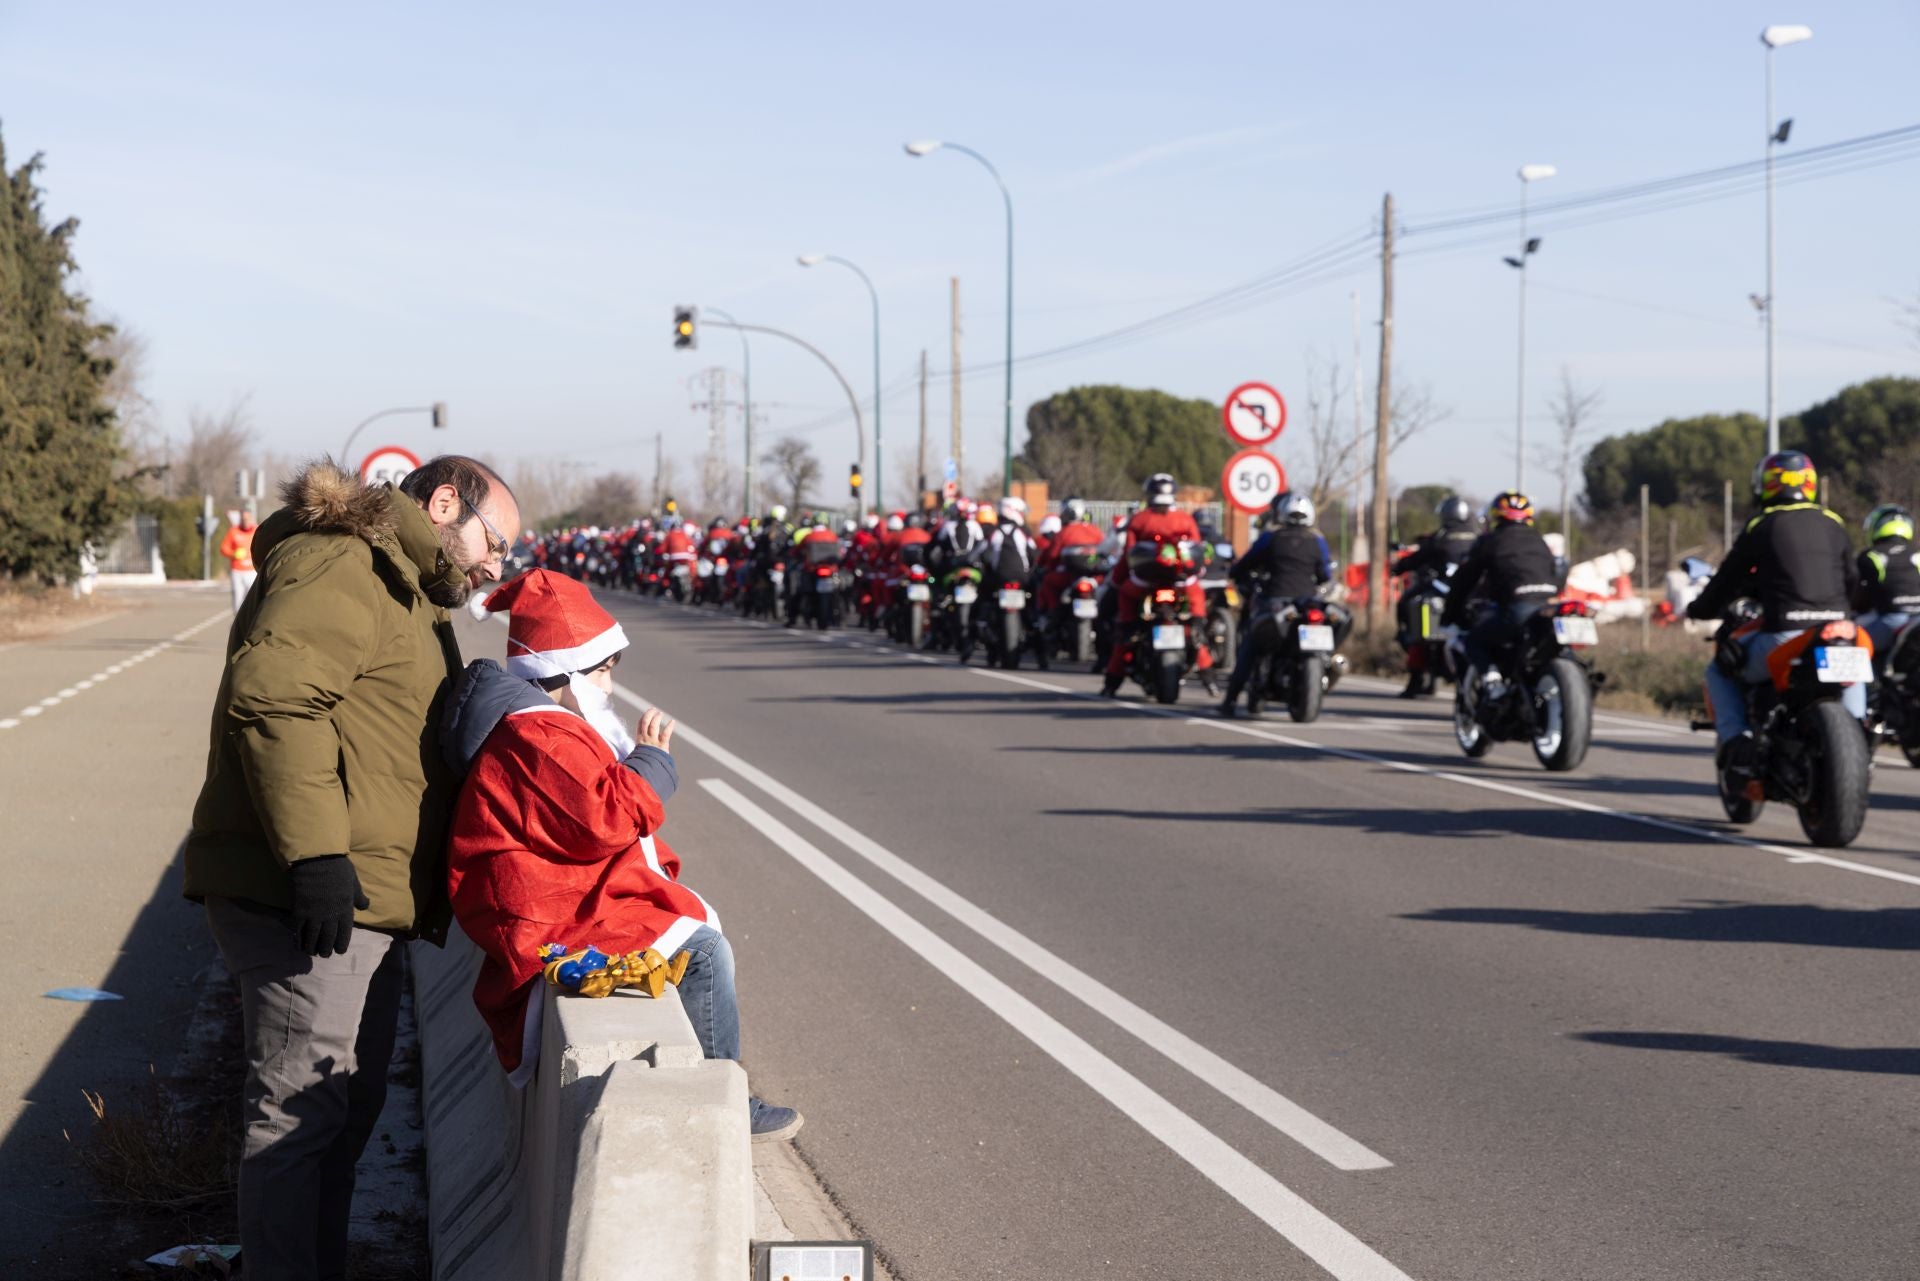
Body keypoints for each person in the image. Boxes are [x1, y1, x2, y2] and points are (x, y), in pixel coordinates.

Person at [184, 455, 520, 1281]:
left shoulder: (402, 583)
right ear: (445, 503)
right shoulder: (347, 560)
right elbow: (274, 696)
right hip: (301, 893)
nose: (496, 564)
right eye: (496, 541)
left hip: (365, 901)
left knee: (339, 1112)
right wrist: (318, 855)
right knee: (299, 1116)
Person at [441, 569, 801, 1140]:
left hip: (548, 892)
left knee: (678, 919)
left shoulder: (536, 723)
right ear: (567, 667)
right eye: (603, 671)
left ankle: (710, 1087)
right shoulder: (542, 735)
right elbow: (603, 818)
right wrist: (653, 763)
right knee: (704, 951)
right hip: (542, 913)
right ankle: (722, 1103)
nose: (609, 686)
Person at [1687, 451, 1863, 764]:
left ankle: (1736, 741)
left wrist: (1700, 609)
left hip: (1785, 633)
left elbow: (1728, 578)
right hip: (1838, 629)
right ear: (1809, 484)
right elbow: (1851, 580)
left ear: (1766, 485)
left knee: (1719, 671)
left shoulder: (1762, 524)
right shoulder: (1833, 522)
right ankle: (1859, 735)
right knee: (1852, 667)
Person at [1218, 493, 1334, 716]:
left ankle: (1230, 700)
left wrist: (1236, 572)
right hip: (1308, 603)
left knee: (1250, 647)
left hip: (1275, 602)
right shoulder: (1317, 540)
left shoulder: (1271, 538)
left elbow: (1245, 564)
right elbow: (1325, 574)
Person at [1440, 491, 1563, 698]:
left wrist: (1449, 615)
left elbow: (1464, 580)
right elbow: (1557, 571)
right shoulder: (1539, 540)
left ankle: (1493, 681)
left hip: (1519, 609)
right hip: (1549, 608)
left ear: (1496, 517)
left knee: (1474, 640)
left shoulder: (1490, 541)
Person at [1101, 474, 1213, 696]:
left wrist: (1116, 582)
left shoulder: (1140, 519)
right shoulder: (1185, 519)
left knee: (1126, 631)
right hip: (1183, 585)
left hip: (1144, 584)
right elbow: (1196, 554)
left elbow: (1127, 556)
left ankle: (1111, 684)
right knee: (1195, 629)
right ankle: (1210, 679)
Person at [1853, 503, 1920, 658]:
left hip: (1891, 620)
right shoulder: (1917, 555)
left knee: (1850, 646)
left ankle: (1865, 681)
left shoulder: (1870, 556)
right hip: (1917, 619)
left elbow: (1857, 596)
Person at [221, 510, 260, 612]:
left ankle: (250, 622)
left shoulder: (257, 530)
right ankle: (237, 622)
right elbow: (223, 549)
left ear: (251, 519)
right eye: (243, 519)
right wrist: (233, 553)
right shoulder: (233, 531)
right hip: (237, 571)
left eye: (247, 518)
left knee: (252, 599)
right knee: (237, 598)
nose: (245, 521)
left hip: (252, 571)